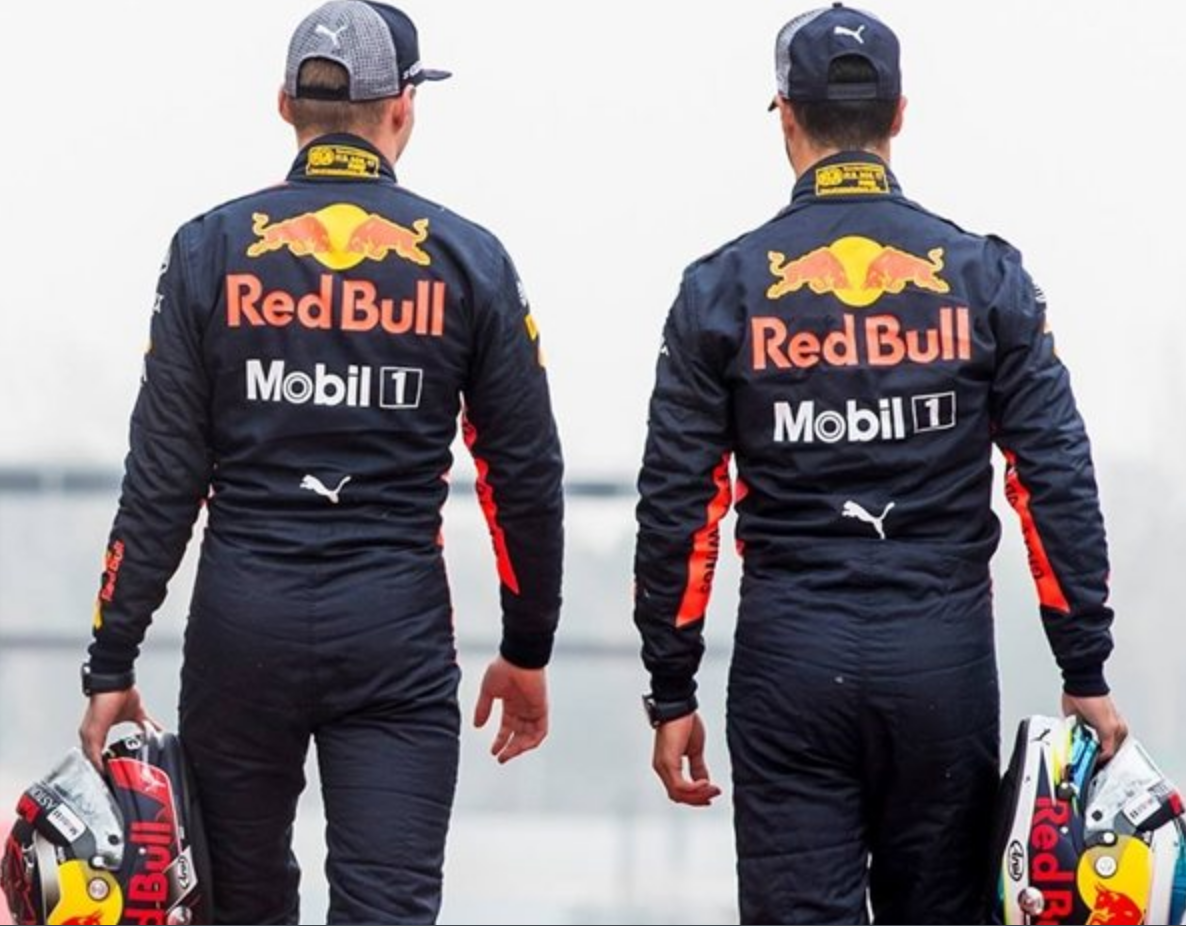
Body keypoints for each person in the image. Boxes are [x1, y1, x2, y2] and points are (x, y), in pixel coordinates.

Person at [632, 4, 1127, 923]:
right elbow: (1052, 474)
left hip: (789, 668)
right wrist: (1085, 666)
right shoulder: (986, 278)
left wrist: (671, 689)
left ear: (786, 116)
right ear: (899, 114)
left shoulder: (721, 290)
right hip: (942, 667)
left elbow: (679, 507)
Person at [76, 2, 564, 923]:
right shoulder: (470, 258)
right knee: (387, 909)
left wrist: (111, 662)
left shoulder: (207, 250)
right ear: (403, 108)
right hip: (394, 634)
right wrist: (527, 647)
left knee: (241, 908)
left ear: (283, 106)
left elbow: (162, 481)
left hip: (241, 630)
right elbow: (525, 477)